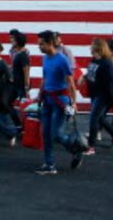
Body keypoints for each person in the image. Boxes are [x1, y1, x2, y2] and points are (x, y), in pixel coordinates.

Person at [34, 30, 83, 175]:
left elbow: (70, 83)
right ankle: (49, 165)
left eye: (42, 44)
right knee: (45, 133)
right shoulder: (45, 59)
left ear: (50, 43)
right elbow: (45, 78)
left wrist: (73, 103)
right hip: (47, 100)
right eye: (39, 44)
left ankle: (76, 149)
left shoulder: (62, 59)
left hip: (60, 101)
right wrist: (39, 94)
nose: (39, 47)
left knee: (56, 134)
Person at [82, 39, 113, 155]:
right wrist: (83, 77)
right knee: (100, 118)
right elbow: (91, 73)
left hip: (103, 95)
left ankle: (91, 146)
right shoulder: (94, 60)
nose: (90, 47)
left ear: (98, 48)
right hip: (94, 93)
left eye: (92, 46)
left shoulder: (106, 63)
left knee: (93, 118)